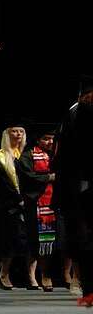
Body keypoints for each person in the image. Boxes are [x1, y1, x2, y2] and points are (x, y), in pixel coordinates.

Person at [54, 78, 93, 295]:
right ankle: (78, 278)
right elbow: (63, 156)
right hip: (76, 185)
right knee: (79, 234)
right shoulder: (73, 115)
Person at [0, 125, 31, 289]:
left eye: (21, 131)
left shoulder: (27, 155)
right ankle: (4, 272)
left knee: (30, 240)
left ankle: (31, 276)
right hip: (9, 205)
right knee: (11, 240)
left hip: (30, 201)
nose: (18, 134)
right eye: (14, 131)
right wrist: (18, 199)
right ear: (7, 134)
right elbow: (2, 183)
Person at [22, 129, 59, 291]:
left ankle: (47, 274)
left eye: (52, 139)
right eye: (46, 139)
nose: (50, 142)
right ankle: (33, 276)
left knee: (53, 242)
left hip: (56, 203)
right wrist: (48, 178)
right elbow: (26, 176)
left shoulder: (57, 155)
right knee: (34, 241)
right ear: (38, 141)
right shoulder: (28, 156)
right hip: (35, 203)